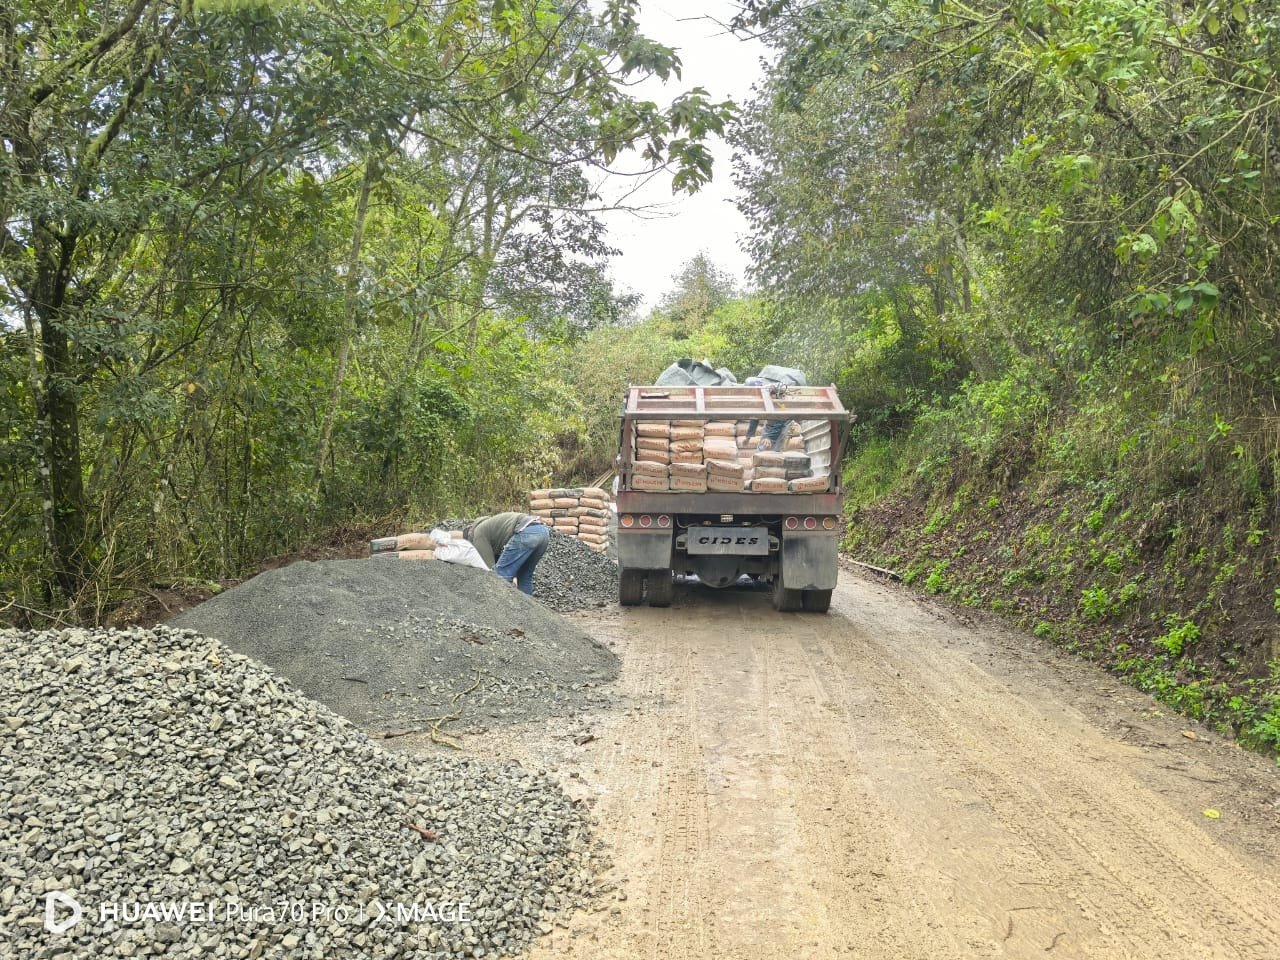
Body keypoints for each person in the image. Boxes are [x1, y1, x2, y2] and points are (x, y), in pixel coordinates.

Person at [464, 512, 550, 595]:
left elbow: (488, 570)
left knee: (499, 576)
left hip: (526, 532)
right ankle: (528, 609)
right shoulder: (492, 528)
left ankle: (500, 608)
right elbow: (501, 560)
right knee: (524, 577)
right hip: (543, 532)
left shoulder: (478, 534)